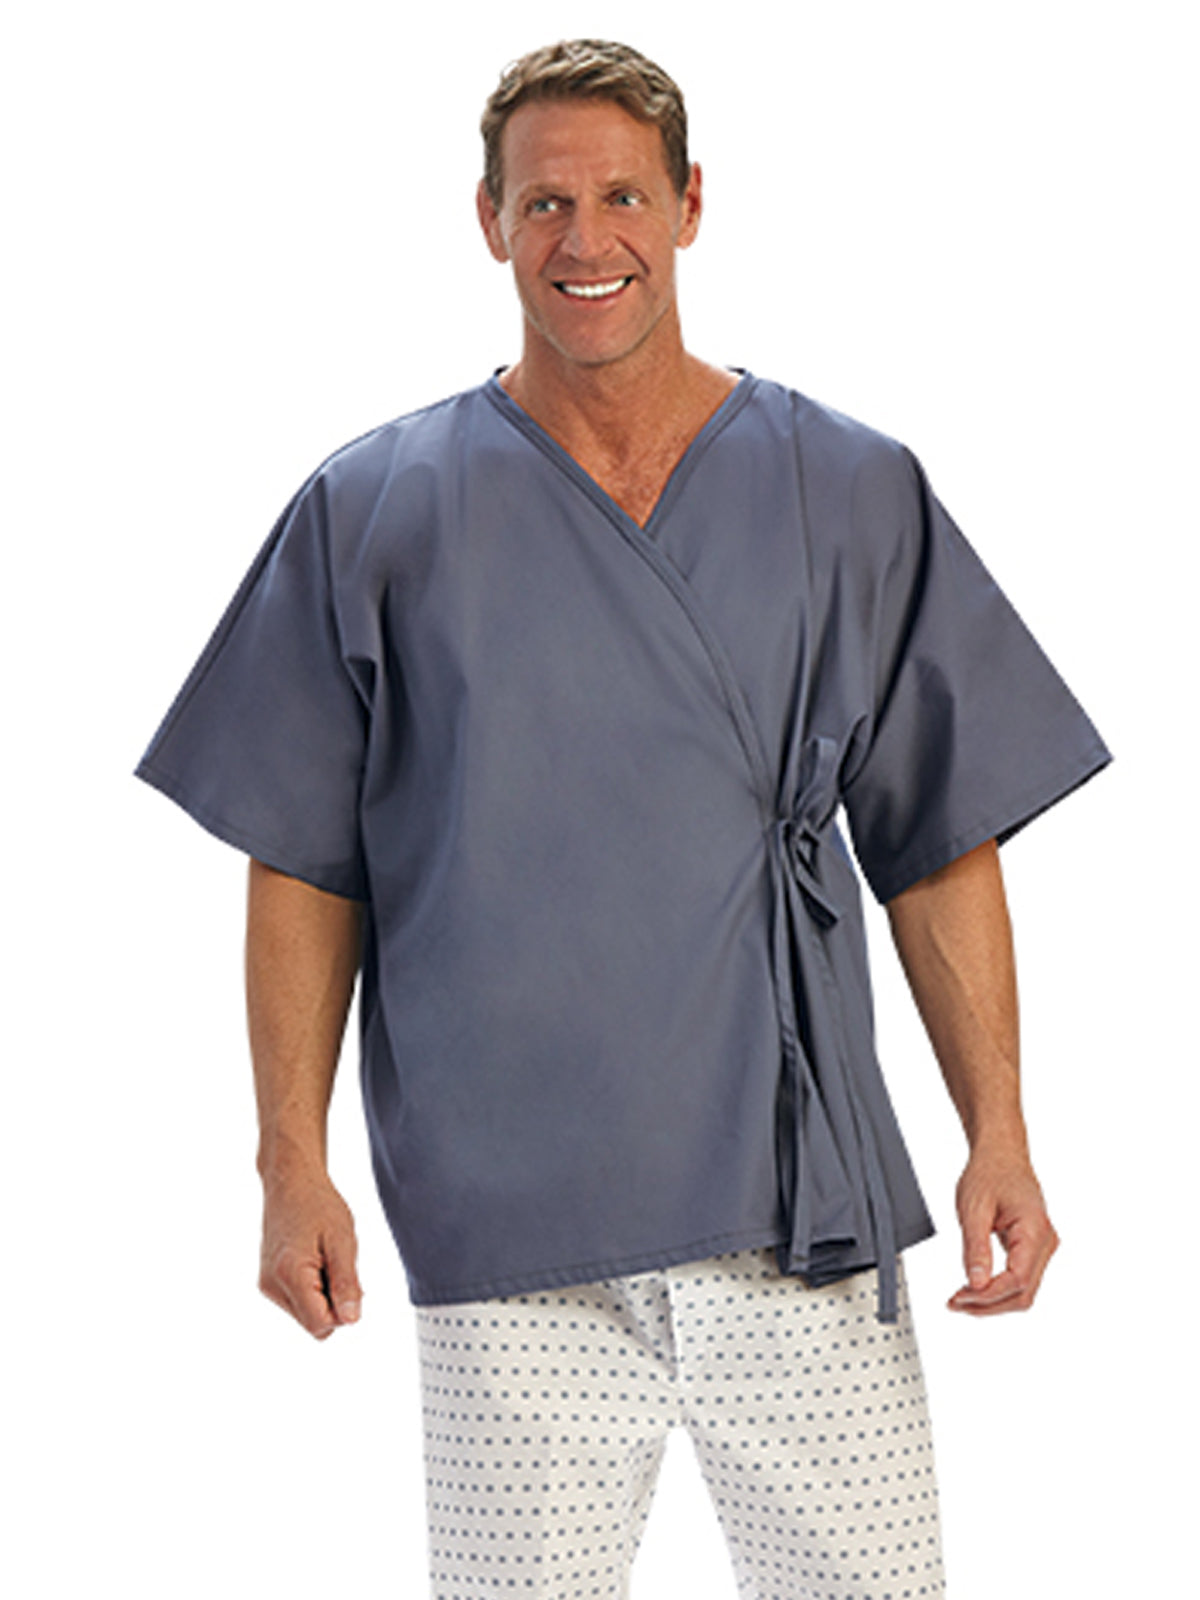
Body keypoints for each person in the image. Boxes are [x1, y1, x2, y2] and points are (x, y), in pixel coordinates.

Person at [137, 38, 1110, 1600]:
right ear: (488, 220)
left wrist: (1001, 1131)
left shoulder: (846, 486)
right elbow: (303, 862)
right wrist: (287, 1166)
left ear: (691, 204)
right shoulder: (376, 510)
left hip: (795, 1209)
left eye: (620, 199)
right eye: (543, 204)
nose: (583, 241)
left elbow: (939, 838)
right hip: (509, 1228)